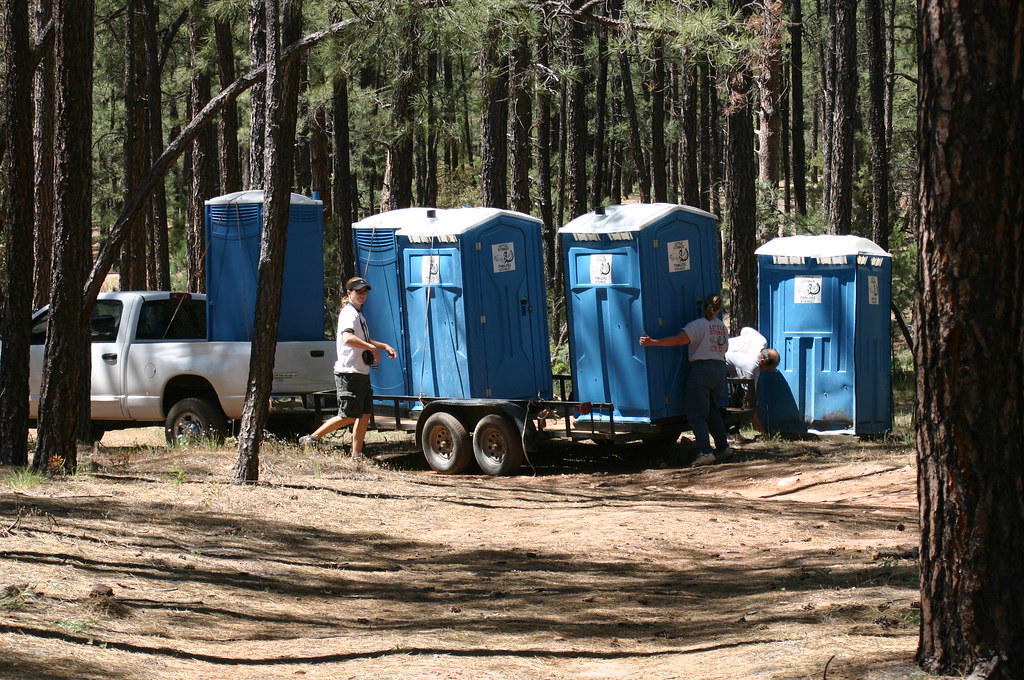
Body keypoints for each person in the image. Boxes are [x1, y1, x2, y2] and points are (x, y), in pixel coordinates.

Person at [299, 276, 397, 457]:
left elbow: (362, 339)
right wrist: (371, 348)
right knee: (348, 415)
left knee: (365, 414)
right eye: (358, 291)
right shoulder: (348, 314)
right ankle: (312, 439)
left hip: (361, 371)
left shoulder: (358, 314)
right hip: (348, 373)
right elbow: (348, 338)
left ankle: (356, 455)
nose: (362, 295)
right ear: (349, 293)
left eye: (365, 291)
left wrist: (383, 346)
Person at [639, 294, 732, 467]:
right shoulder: (721, 327)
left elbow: (678, 340)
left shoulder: (697, 325)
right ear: (719, 309)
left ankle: (705, 452)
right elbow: (725, 348)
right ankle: (724, 448)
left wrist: (653, 342)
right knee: (713, 411)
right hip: (719, 370)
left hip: (702, 370)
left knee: (697, 415)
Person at [724, 327, 780, 432]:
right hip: (722, 361)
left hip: (735, 363)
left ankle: (735, 430)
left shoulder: (761, 340)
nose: (770, 371)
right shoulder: (751, 366)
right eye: (768, 369)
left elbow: (744, 330)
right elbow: (750, 395)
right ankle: (728, 432)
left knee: (738, 394)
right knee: (731, 398)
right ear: (762, 361)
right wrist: (755, 419)